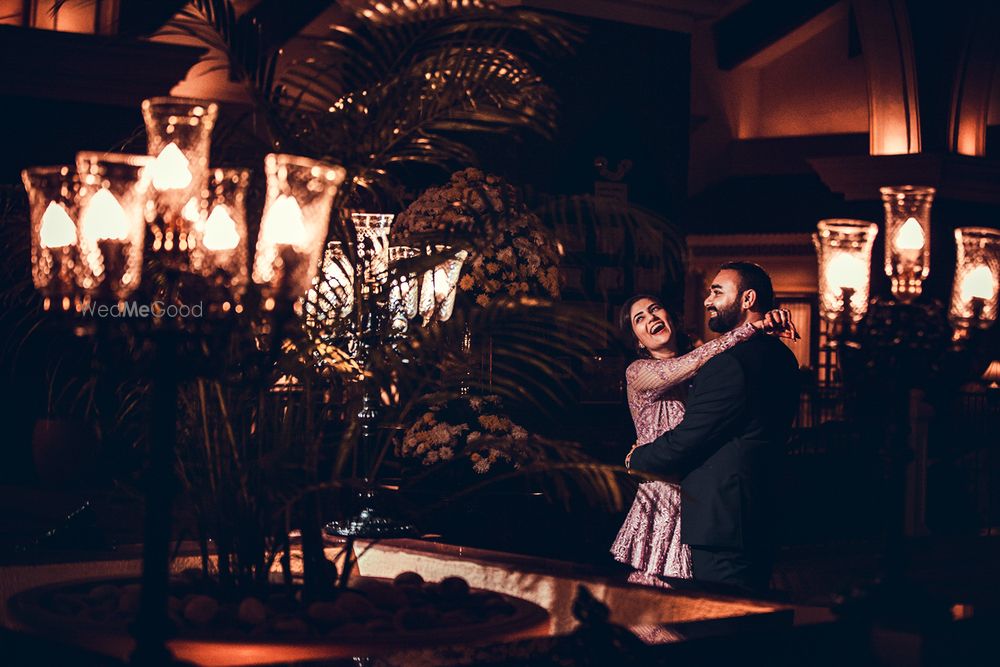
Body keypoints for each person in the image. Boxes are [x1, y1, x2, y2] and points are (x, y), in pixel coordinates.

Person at [626, 262, 801, 595]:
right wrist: (758, 325)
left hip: (717, 515)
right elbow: (693, 363)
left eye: (717, 292)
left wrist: (636, 459)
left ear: (747, 299)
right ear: (635, 339)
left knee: (715, 612)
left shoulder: (724, 363)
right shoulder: (779, 355)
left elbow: (690, 437)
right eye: (639, 319)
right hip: (682, 504)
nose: (708, 300)